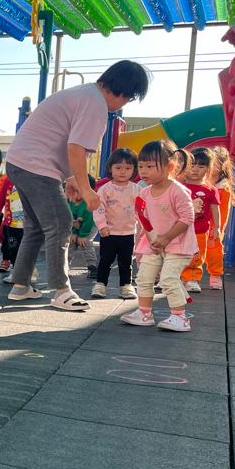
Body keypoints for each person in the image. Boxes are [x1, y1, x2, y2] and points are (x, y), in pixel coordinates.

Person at [6, 60, 150, 311]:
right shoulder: (95, 104)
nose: (124, 104)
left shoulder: (83, 93)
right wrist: (86, 189)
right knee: (61, 224)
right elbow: (76, 147)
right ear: (122, 91)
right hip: (37, 167)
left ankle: (20, 285)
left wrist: (71, 177)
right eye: (128, 98)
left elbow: (64, 142)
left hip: (18, 162)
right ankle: (61, 291)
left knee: (36, 228)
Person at [120, 140, 197, 332]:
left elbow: (187, 218)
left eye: (150, 166)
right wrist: (150, 237)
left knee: (169, 279)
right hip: (154, 244)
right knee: (144, 278)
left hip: (178, 245)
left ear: (170, 167)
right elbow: (145, 219)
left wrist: (167, 238)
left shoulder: (178, 191)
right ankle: (144, 313)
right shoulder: (145, 193)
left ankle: (180, 317)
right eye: (141, 166)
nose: (144, 171)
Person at [92, 147, 141, 299]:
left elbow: (142, 210)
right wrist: (102, 226)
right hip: (109, 232)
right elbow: (99, 209)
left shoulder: (137, 189)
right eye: (118, 167)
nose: (123, 171)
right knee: (105, 261)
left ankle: (125, 286)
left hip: (128, 233)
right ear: (110, 168)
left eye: (128, 168)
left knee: (126, 262)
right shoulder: (105, 189)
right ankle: (100, 284)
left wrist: (145, 227)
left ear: (134, 170)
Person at [180, 147, 221, 293]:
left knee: (196, 255)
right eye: (192, 165)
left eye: (201, 166)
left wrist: (217, 227)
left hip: (200, 230)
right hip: (179, 229)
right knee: (177, 253)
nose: (195, 169)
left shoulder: (210, 190)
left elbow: (215, 209)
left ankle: (192, 278)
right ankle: (175, 277)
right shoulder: (179, 186)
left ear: (208, 169)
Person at [205, 146, 235, 290]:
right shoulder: (201, 182)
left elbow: (223, 211)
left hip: (213, 224)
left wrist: (217, 227)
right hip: (199, 221)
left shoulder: (223, 188)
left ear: (222, 165)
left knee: (214, 247)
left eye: (214, 163)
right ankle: (189, 276)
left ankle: (215, 274)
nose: (210, 166)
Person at [0, 173, 28, 280]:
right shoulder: (8, 180)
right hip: (12, 224)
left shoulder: (32, 178)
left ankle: (28, 272)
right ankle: (17, 273)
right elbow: (0, 199)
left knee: (28, 250)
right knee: (13, 249)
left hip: (29, 225)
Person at [67, 174, 98, 278]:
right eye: (75, 190)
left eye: (80, 190)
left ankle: (92, 266)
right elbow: (68, 218)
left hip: (89, 226)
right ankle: (65, 266)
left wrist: (82, 235)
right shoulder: (69, 201)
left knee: (85, 243)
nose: (77, 193)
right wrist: (74, 232)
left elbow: (89, 222)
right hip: (73, 225)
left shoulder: (88, 204)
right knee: (71, 242)